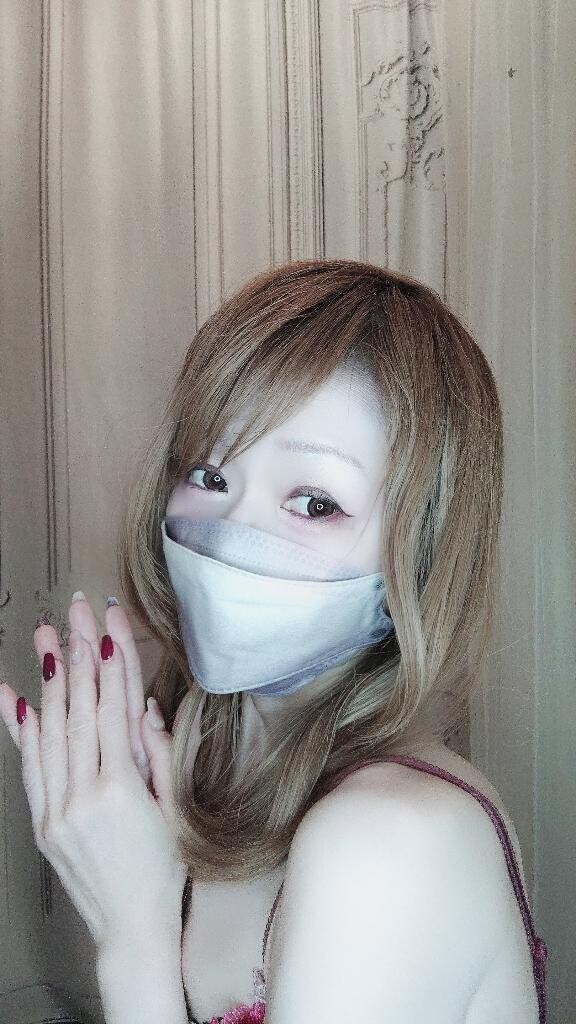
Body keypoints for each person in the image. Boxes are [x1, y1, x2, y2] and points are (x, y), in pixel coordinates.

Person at [0, 259, 547, 1024]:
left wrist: (133, 940)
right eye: (210, 475)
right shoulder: (201, 768)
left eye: (314, 502)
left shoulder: (389, 844)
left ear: (419, 556)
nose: (231, 533)